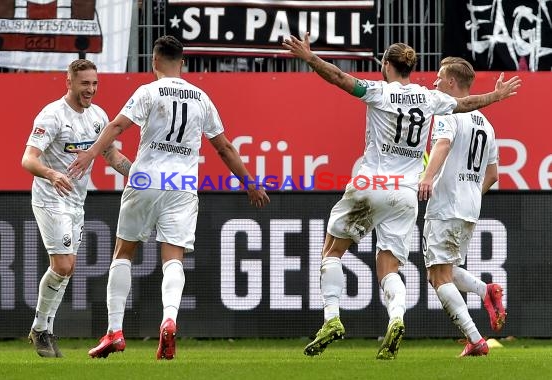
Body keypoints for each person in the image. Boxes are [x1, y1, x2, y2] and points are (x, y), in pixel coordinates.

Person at [282, 33, 520, 359]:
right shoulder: (429, 99)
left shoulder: (378, 91)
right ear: (411, 68)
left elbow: (339, 78)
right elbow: (464, 104)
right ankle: (396, 318)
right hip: (406, 195)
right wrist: (495, 96)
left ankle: (332, 317)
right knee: (389, 269)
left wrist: (310, 58)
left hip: (372, 184)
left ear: (385, 65)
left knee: (332, 252)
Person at [67, 35, 270, 360]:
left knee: (123, 253)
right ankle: (170, 319)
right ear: (183, 62)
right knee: (173, 257)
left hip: (146, 177)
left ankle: (114, 332)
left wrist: (90, 154)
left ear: (155, 60)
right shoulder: (201, 97)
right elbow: (225, 147)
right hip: (183, 183)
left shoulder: (149, 91)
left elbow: (118, 126)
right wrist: (249, 182)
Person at [21, 59, 132, 358]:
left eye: (94, 83)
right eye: (85, 83)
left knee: (67, 269)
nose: (91, 89)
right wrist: (52, 174)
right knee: (63, 266)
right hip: (49, 197)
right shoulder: (52, 114)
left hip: (76, 201)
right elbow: (28, 159)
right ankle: (40, 329)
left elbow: (110, 154)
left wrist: (137, 174)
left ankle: (43, 329)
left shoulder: (98, 117)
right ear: (68, 82)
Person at [418, 57, 506, 357]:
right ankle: (485, 291)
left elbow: (442, 143)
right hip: (469, 207)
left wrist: (428, 179)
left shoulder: (446, 110)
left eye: (439, 78)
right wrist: (471, 191)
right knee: (448, 269)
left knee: (436, 275)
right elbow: (493, 174)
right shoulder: (487, 124)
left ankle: (476, 340)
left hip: (445, 203)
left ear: (452, 83)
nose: (434, 83)